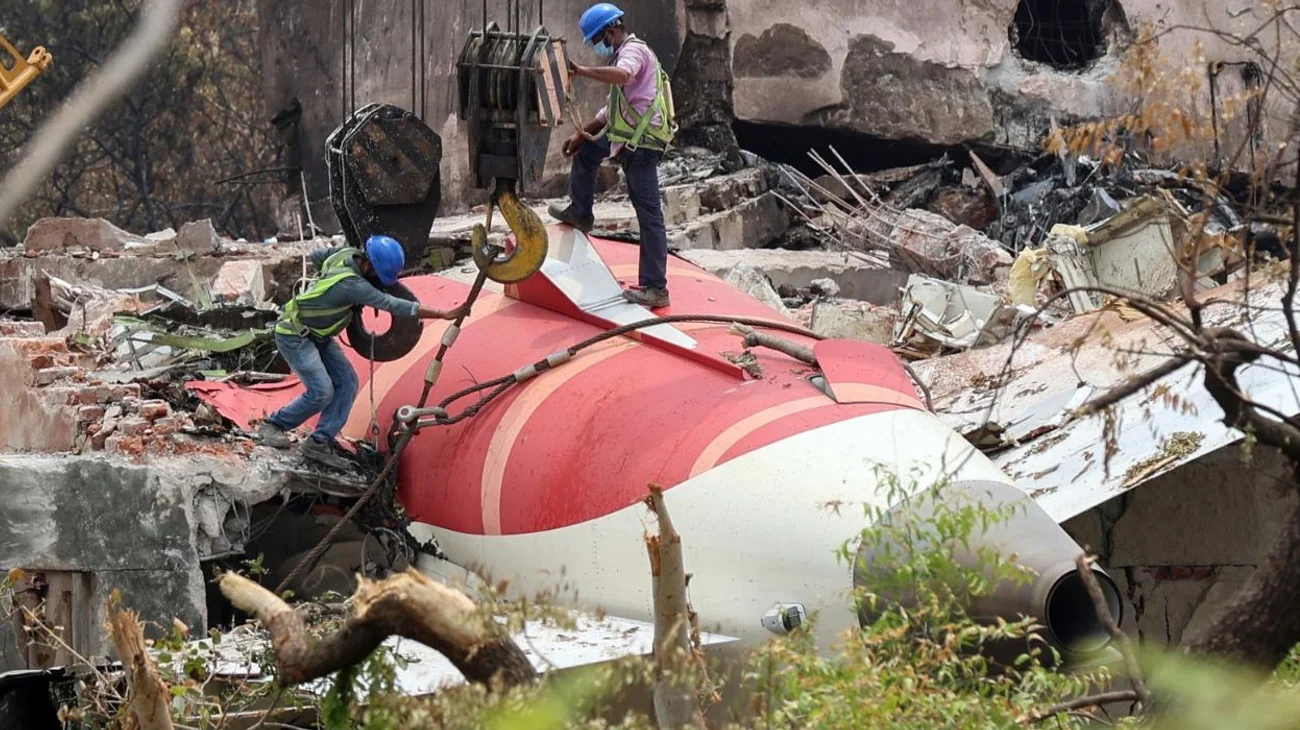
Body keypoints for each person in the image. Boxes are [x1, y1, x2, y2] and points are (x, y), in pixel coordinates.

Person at [258, 235, 467, 469]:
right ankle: (273, 425)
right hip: (294, 335)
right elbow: (392, 304)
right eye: (379, 276)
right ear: (369, 266)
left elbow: (318, 257)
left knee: (347, 383)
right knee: (321, 391)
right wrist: (442, 314)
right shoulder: (353, 286)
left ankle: (319, 442)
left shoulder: (344, 255)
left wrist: (323, 287)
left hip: (317, 335)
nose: (380, 281)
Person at [548, 2, 676, 309]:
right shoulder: (625, 53)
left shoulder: (633, 52)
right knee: (587, 151)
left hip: (641, 143)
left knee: (649, 216)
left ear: (611, 31)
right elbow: (614, 108)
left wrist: (581, 71)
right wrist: (584, 132)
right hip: (626, 135)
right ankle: (580, 213)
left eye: (598, 40)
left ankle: (656, 287)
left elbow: (622, 75)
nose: (598, 47)